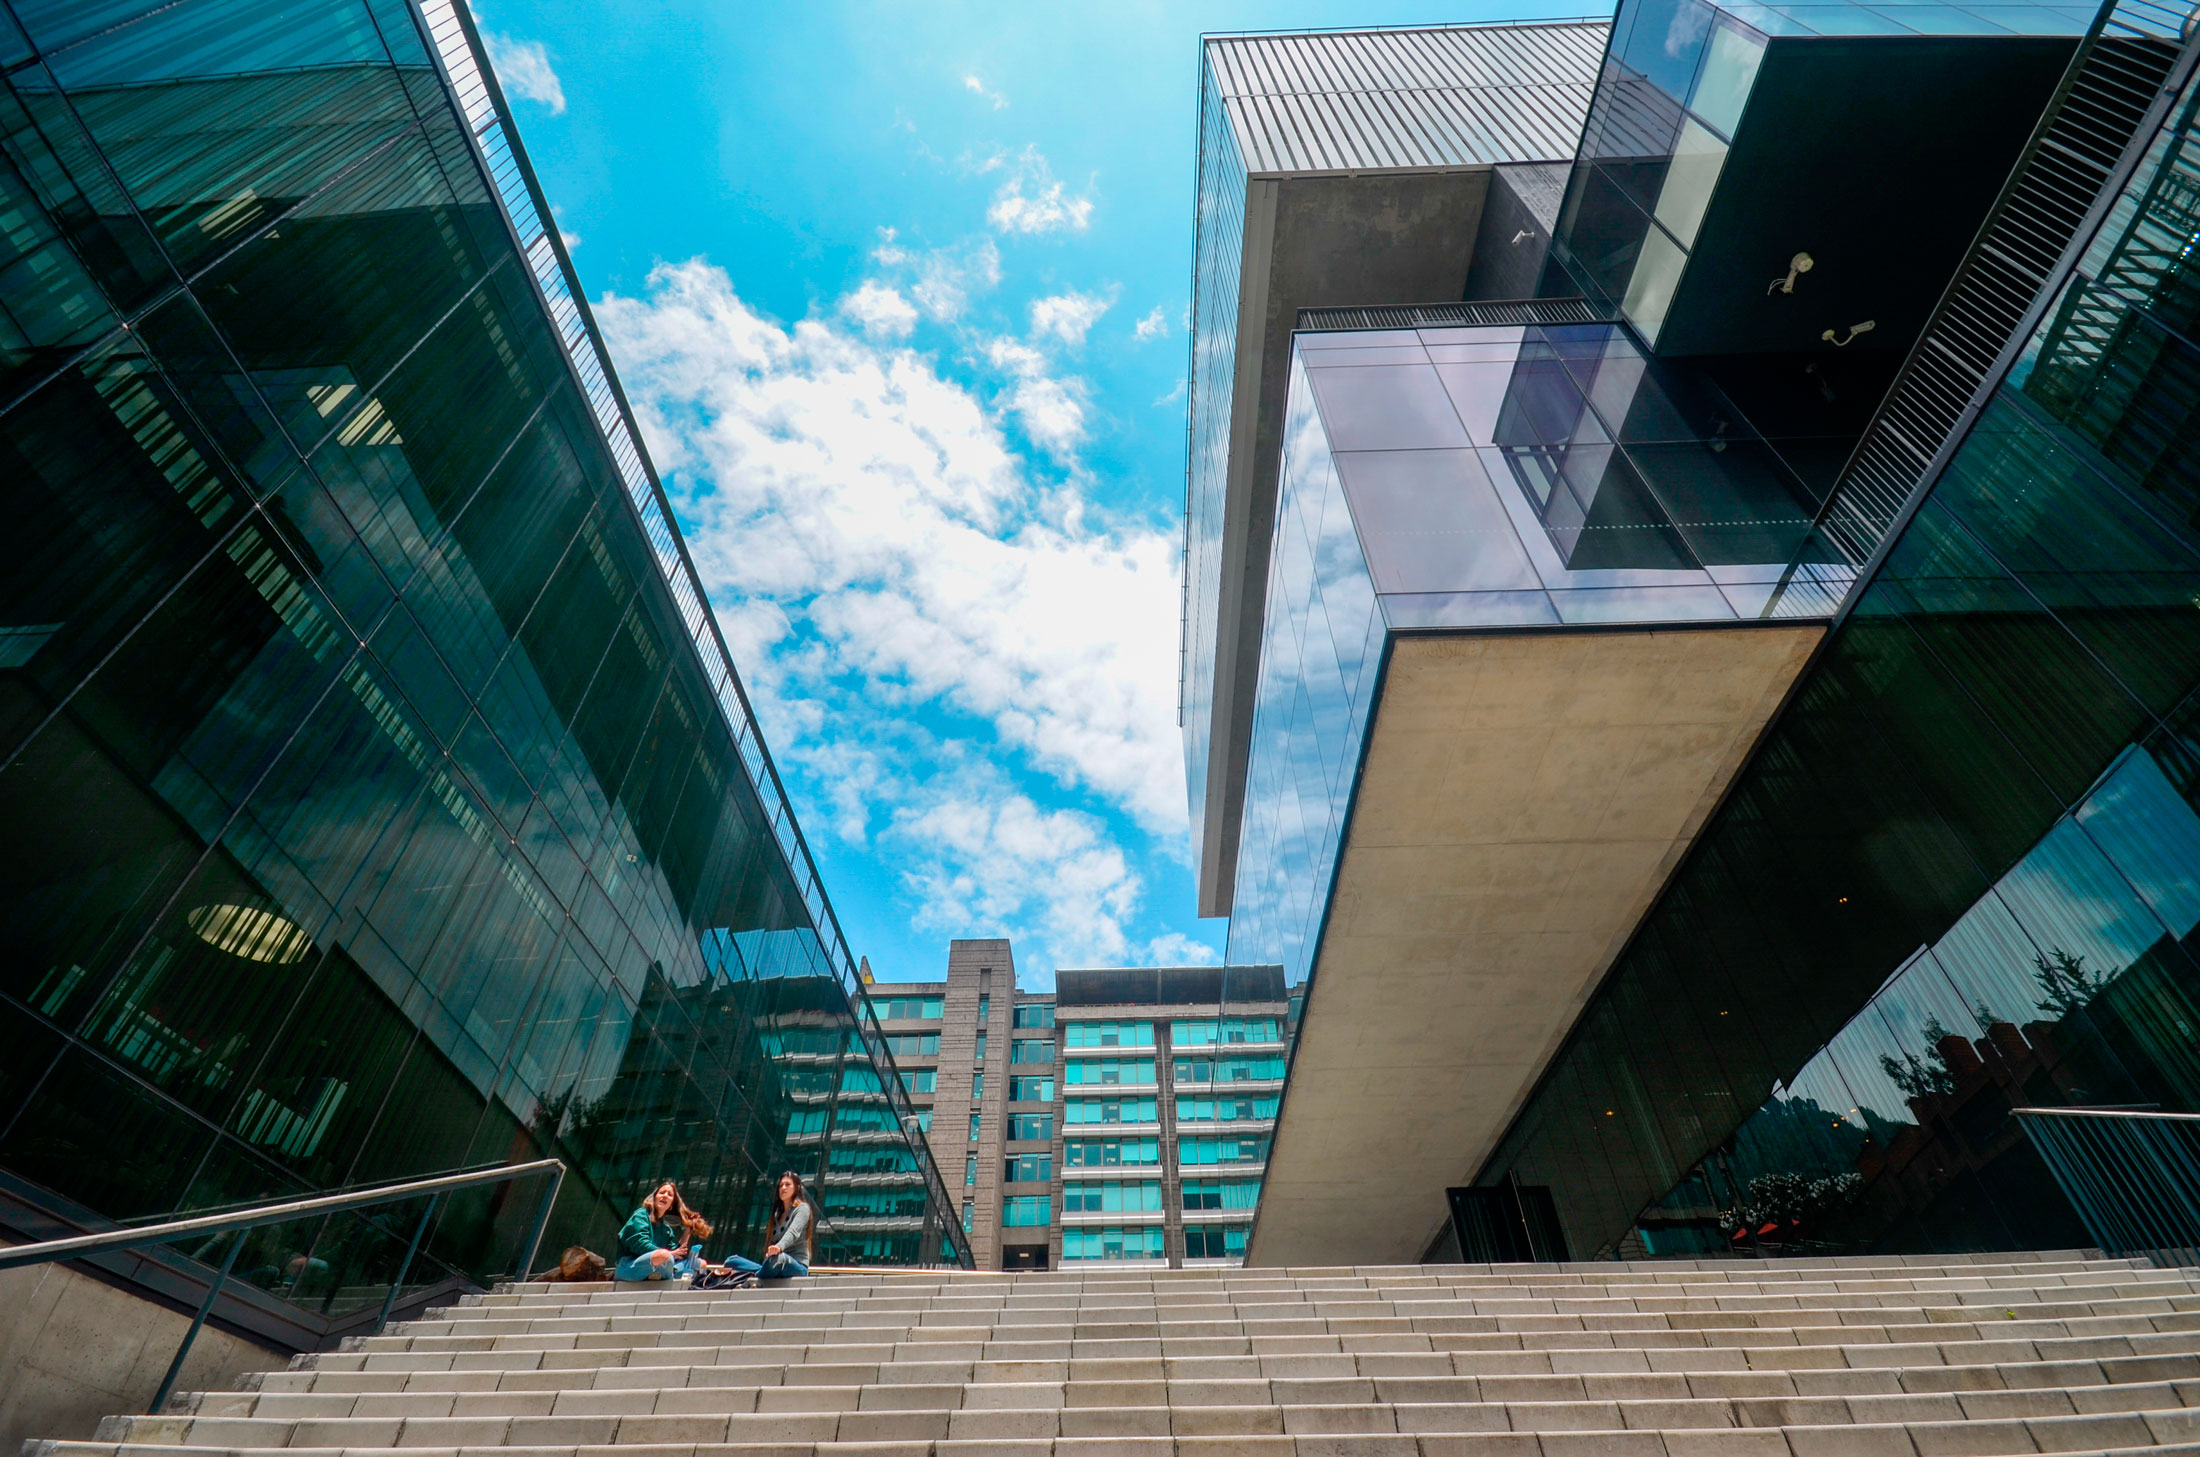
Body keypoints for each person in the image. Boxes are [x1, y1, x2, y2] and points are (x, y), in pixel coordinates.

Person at [615, 1181, 705, 1282]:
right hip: (629, 1266)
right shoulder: (641, 1215)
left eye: (670, 1195)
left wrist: (689, 1229)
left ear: (671, 1205)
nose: (665, 1196)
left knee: (699, 1263)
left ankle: (659, 1275)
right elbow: (639, 1244)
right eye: (662, 1193)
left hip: (662, 1265)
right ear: (654, 1198)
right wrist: (670, 1254)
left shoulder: (666, 1229)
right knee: (664, 1255)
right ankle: (666, 1277)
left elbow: (676, 1254)